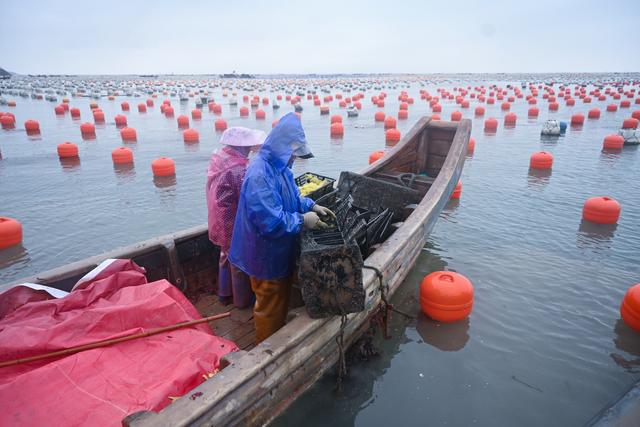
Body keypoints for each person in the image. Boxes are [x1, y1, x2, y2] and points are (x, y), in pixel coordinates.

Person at [229, 112, 335, 342]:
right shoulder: (259, 173)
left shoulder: (281, 167)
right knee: (269, 304)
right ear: (281, 147)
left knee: (279, 299)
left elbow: (293, 197)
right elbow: (271, 222)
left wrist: (312, 206)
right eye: (293, 154)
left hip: (278, 251)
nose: (294, 159)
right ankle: (266, 351)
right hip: (264, 254)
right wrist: (303, 220)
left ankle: (277, 333)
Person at [206, 127, 266, 308]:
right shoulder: (237, 169)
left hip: (218, 215)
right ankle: (242, 301)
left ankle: (224, 294)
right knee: (238, 261)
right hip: (231, 219)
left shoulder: (220, 158)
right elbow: (248, 196)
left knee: (225, 254)